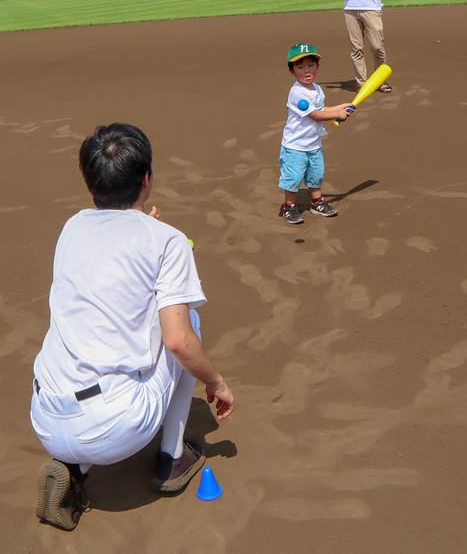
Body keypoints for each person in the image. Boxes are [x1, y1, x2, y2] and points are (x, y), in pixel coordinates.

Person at [30, 123, 234, 531]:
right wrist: (217, 383)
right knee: (186, 322)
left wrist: (144, 224)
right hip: (113, 424)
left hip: (45, 413)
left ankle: (74, 468)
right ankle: (172, 458)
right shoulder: (167, 241)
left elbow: (114, 260)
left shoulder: (72, 227)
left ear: (91, 182)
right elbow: (178, 341)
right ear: (146, 180)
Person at [279, 43, 353, 225]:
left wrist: (338, 107)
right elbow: (315, 115)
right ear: (292, 71)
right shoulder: (297, 93)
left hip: (313, 144)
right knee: (293, 177)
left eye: (311, 65)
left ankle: (317, 202)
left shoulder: (317, 89)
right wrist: (337, 114)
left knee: (316, 174)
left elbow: (320, 108)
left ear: (317, 66)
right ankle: (289, 206)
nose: (307, 70)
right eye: (300, 67)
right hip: (295, 146)